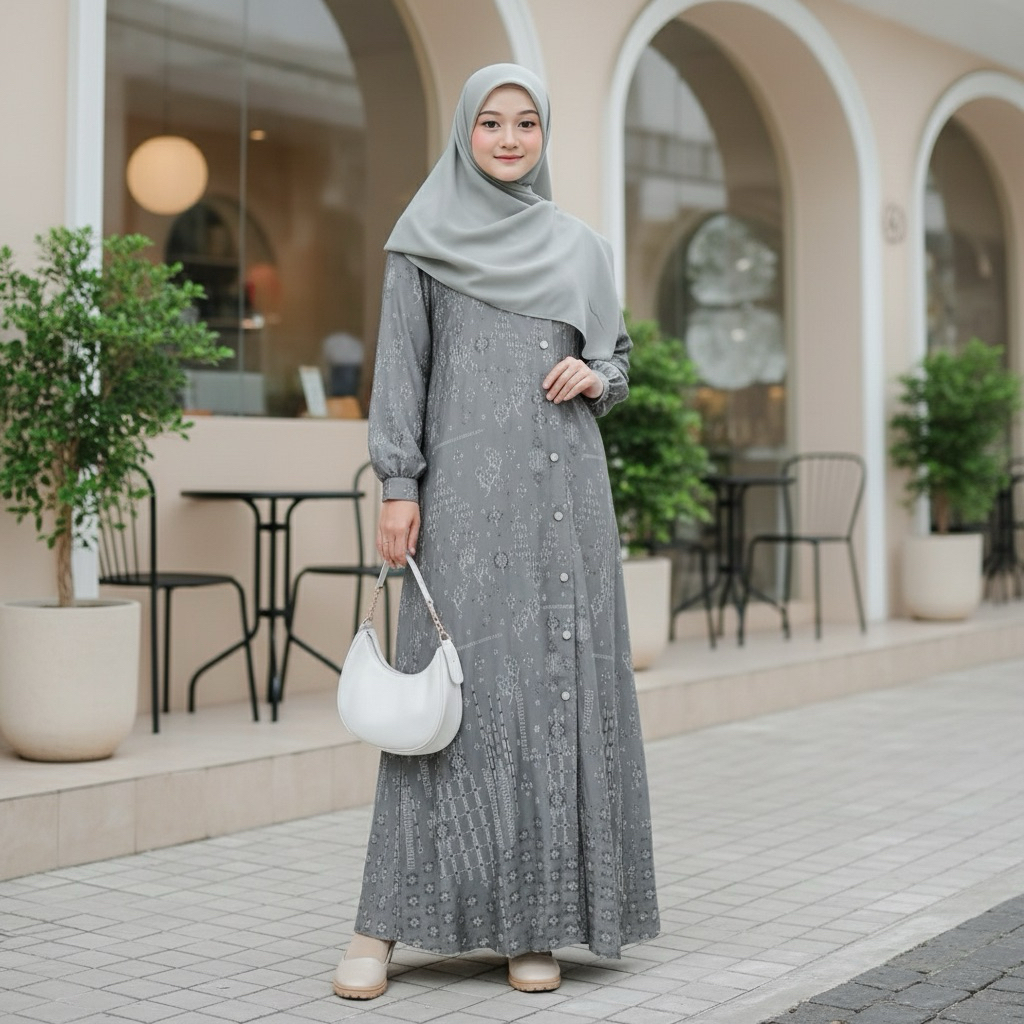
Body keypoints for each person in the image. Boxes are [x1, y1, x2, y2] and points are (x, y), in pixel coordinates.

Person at [332, 63, 660, 1001]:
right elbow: (401, 369)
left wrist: (597, 378)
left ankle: (534, 924)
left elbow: (616, 358)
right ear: (465, 133)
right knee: (446, 706)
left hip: (562, 502)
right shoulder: (422, 241)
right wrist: (398, 485)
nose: (509, 139)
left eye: (526, 123)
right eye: (491, 122)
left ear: (543, 135)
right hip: (461, 511)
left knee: (548, 700)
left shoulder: (581, 248)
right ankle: (380, 927)